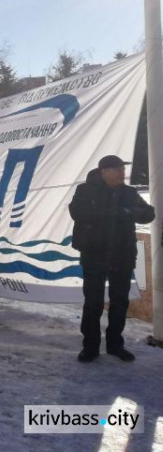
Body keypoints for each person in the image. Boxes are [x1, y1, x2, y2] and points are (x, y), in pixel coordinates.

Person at [69, 155, 155, 363]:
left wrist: (130, 211)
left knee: (119, 302)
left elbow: (148, 213)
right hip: (94, 255)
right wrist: (112, 212)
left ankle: (115, 345)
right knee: (93, 303)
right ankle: (90, 346)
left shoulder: (129, 192)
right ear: (104, 171)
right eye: (117, 169)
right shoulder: (86, 190)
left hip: (122, 255)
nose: (122, 173)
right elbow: (76, 212)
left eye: (122, 170)